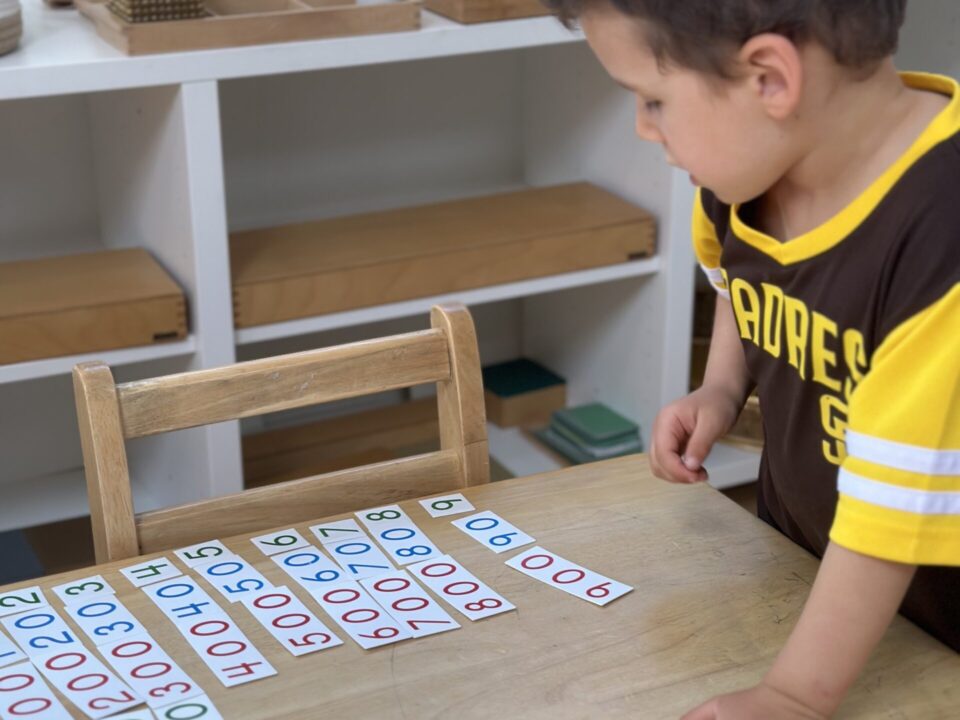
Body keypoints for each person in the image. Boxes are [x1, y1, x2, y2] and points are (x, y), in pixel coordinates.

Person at [541, 0, 960, 717]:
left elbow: (894, 510)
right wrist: (722, 386)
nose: (645, 129)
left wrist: (793, 696)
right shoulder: (748, 175)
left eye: (653, 100)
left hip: (934, 626)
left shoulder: (941, 239)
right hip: (801, 566)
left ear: (769, 78)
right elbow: (741, 278)